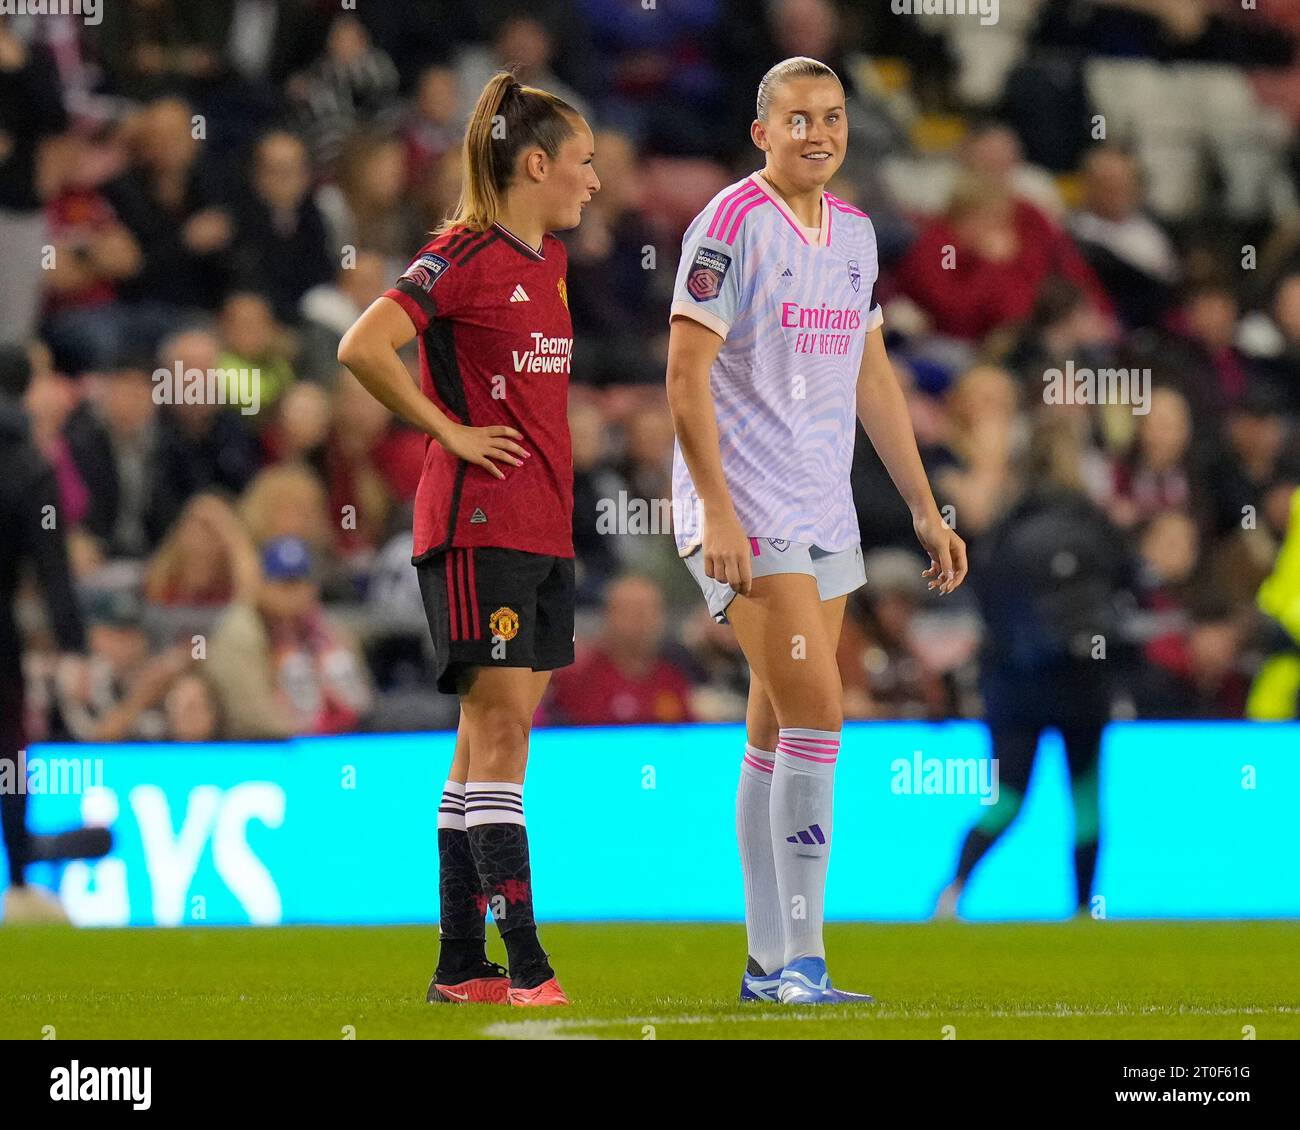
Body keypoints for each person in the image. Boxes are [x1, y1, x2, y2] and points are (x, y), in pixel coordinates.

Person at [665, 57, 967, 1005]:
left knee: (773, 728)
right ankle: (804, 961)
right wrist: (713, 506)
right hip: (745, 507)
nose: (818, 134)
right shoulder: (727, 225)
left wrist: (923, 504)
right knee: (821, 714)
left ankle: (765, 967)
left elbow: (873, 375)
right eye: (797, 119)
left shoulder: (857, 235)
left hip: (822, 507)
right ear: (762, 132)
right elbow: (682, 374)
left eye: (831, 117)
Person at [338, 71, 599, 1007]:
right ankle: (527, 962)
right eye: (583, 163)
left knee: (483, 740)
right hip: (476, 526)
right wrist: (444, 430)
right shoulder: (460, 252)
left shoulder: (549, 265)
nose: (594, 182)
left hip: (541, 526)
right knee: (499, 732)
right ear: (536, 165)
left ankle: (460, 961)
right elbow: (363, 344)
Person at [0, 345, 110, 924]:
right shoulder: (28, 464)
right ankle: (17, 883)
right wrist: (74, 648)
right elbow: (52, 573)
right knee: (9, 754)